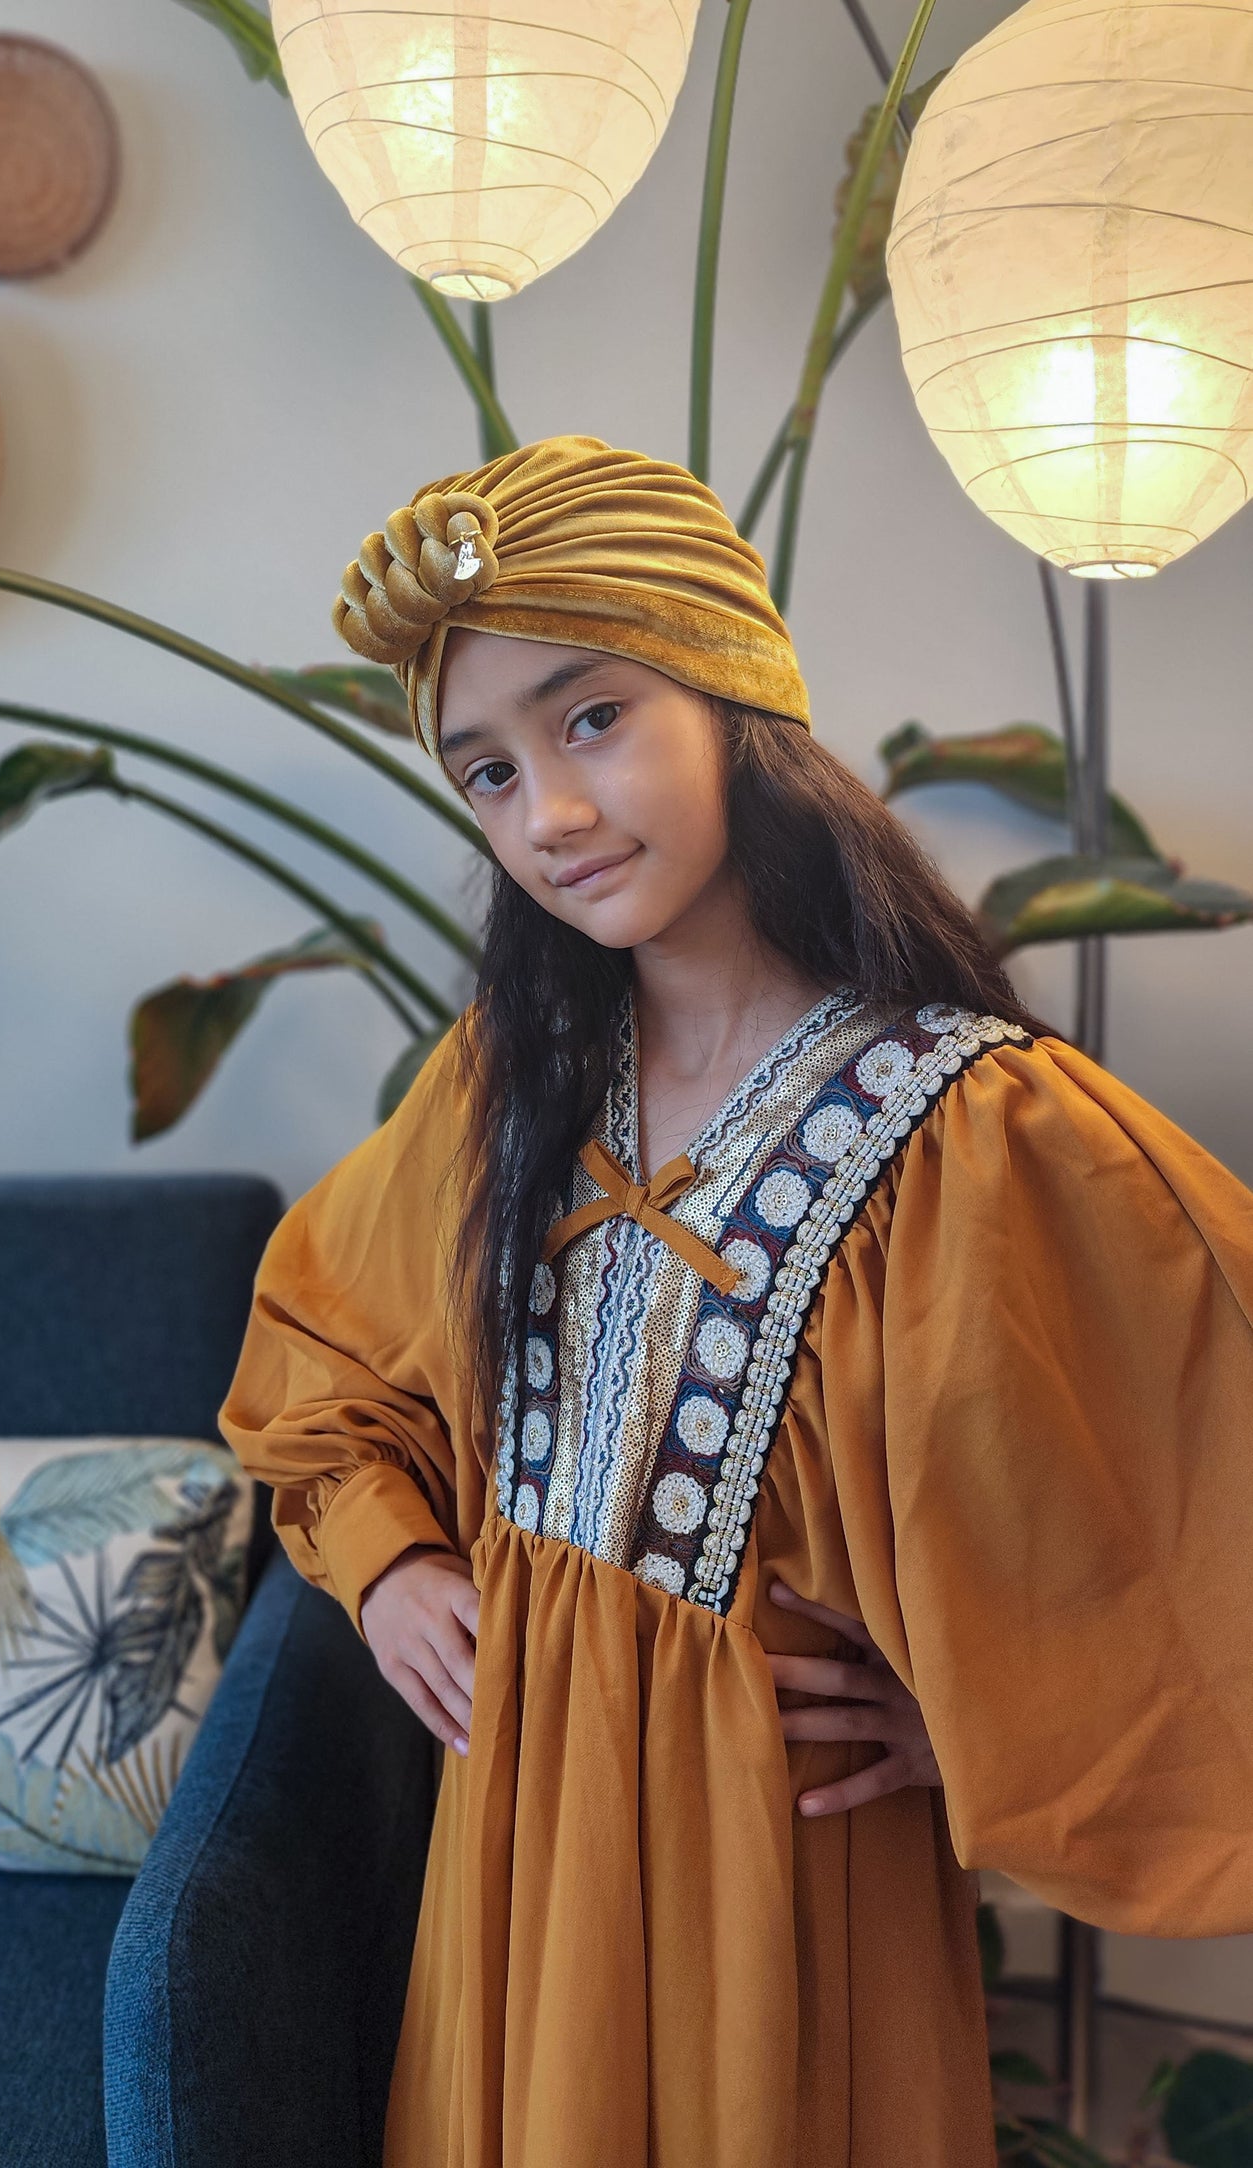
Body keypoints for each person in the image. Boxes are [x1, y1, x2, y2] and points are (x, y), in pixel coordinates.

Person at [217, 434, 1253, 2167]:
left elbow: (1187, 1494)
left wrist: (973, 1722)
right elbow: (321, 1359)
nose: (545, 811)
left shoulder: (967, 1122)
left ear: (725, 689)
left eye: (590, 717)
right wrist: (386, 1557)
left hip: (778, 1888)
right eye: (483, 770)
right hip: (511, 1867)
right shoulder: (506, 1090)